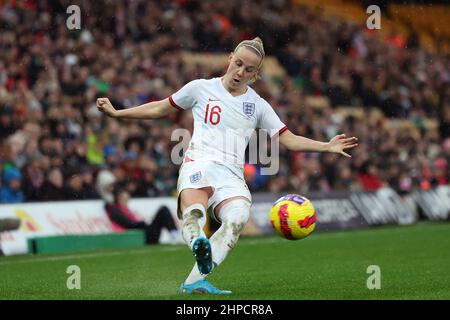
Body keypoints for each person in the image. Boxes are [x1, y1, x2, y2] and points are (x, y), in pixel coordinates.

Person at [96, 37, 358, 295]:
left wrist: (326, 146)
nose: (240, 72)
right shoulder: (200, 88)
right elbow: (160, 108)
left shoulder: (257, 105)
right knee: (195, 214)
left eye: (249, 69)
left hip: (231, 175)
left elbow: (287, 139)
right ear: (230, 59)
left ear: (255, 75)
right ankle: (199, 244)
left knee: (237, 218)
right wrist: (119, 113)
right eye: (239, 64)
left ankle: (194, 281)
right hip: (198, 162)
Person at [105, 186, 179, 244]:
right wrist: (143, 223)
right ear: (118, 198)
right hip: (140, 236)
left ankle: (174, 233)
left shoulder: (125, 210)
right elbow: (129, 225)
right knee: (163, 210)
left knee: (163, 211)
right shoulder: (116, 210)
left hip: (141, 234)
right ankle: (175, 234)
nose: (126, 201)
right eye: (124, 199)